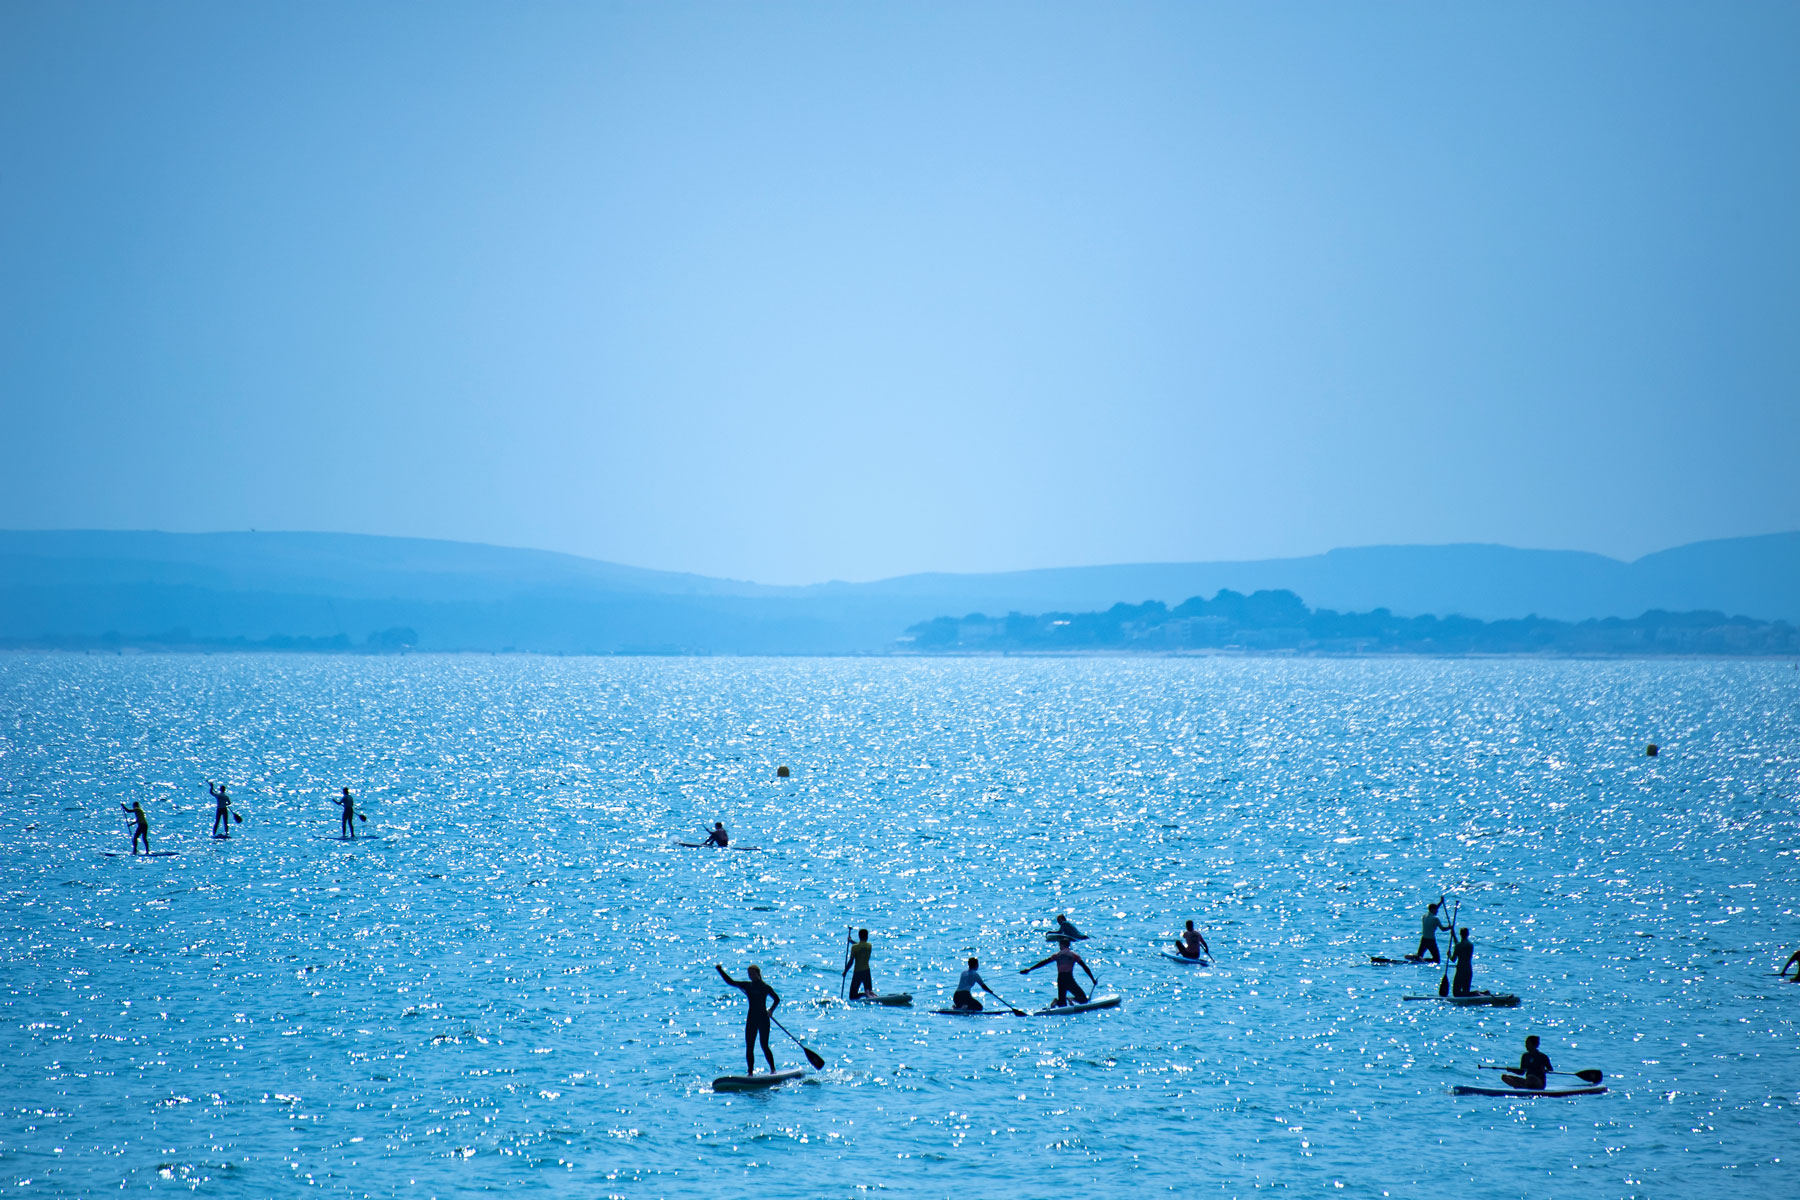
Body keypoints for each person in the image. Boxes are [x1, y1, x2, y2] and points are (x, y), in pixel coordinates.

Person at [715, 963, 779, 1075]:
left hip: (763, 1019)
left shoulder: (765, 987)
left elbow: (776, 999)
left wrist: (771, 1010)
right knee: (750, 1047)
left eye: (752, 973)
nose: (750, 976)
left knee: (764, 1045)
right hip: (752, 1019)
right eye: (749, 974)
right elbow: (730, 982)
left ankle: (773, 1070)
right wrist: (720, 970)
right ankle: (750, 1073)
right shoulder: (747, 986)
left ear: (758, 974)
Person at [1022, 938, 1097, 1007]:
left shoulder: (1057, 955)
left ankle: (1056, 1001)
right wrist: (1092, 979)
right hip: (1069, 978)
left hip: (1060, 979)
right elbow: (1085, 967)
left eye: (1060, 945)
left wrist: (1030, 969)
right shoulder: (1074, 955)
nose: (1059, 947)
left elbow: (1044, 962)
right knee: (1083, 999)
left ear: (1062, 945)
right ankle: (1071, 999)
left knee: (1062, 1004)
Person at [1413, 898, 1450, 963]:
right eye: (1436, 910)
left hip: (1423, 939)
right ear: (1433, 910)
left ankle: (1419, 958)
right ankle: (1423, 960)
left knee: (1419, 956)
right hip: (1431, 941)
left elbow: (1434, 909)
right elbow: (1443, 929)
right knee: (1437, 960)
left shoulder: (1424, 916)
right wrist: (1450, 927)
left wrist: (1441, 902)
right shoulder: (1435, 919)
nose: (1437, 911)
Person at [844, 929, 875, 999]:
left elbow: (851, 962)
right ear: (867, 937)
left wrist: (845, 971)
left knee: (852, 997)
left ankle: (865, 994)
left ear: (859, 936)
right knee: (869, 991)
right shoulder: (869, 946)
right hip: (867, 972)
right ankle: (868, 993)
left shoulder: (854, 947)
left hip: (857, 973)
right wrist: (851, 941)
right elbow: (861, 946)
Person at [1449, 927, 1476, 996]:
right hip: (1468, 970)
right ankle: (1481, 993)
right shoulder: (1470, 945)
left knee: (1456, 993)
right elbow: (1459, 946)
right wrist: (1454, 936)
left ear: (1460, 934)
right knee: (1466, 992)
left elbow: (1453, 959)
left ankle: (1477, 993)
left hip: (1461, 970)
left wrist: (1449, 955)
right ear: (1468, 934)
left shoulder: (1459, 946)